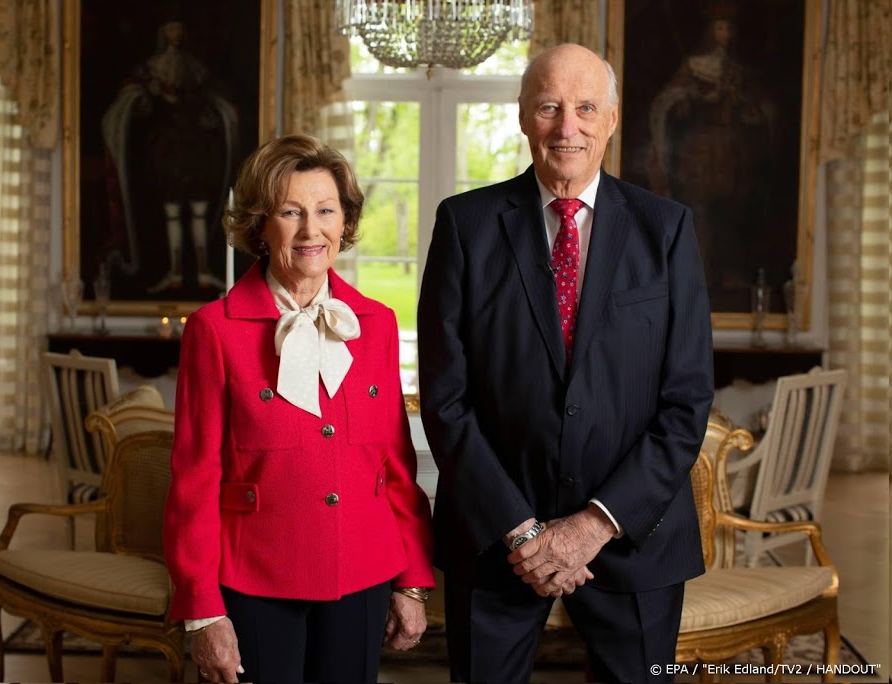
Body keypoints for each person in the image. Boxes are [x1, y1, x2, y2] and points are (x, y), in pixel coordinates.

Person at [417, 43, 714, 684]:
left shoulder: (665, 229)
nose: (566, 127)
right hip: (497, 539)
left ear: (612, 119)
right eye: (549, 107)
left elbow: (686, 402)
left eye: (585, 108)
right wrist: (521, 532)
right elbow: (445, 398)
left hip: (633, 538)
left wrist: (594, 524)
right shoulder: (465, 225)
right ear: (523, 116)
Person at [163, 133, 434, 683]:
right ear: (260, 226)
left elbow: (395, 466)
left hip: (364, 573)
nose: (312, 231)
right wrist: (203, 610)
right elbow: (194, 479)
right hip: (256, 579)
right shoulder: (214, 331)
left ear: (345, 221)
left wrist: (411, 581)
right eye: (291, 212)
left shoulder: (377, 325)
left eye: (326, 211)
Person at [101, 14, 238, 294]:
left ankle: (202, 269)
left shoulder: (195, 68)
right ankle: (174, 270)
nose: (174, 35)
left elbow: (214, 100)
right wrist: (149, 96)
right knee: (172, 211)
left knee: (198, 210)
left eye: (178, 29)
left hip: (194, 151)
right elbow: (134, 105)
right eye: (170, 30)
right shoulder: (149, 69)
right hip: (167, 151)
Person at [645, 3, 775, 295]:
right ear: (710, 30)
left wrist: (746, 109)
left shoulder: (737, 72)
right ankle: (696, 277)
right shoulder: (695, 66)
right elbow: (667, 103)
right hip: (699, 153)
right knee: (700, 213)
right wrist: (690, 99)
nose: (725, 33)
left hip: (730, 154)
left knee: (729, 215)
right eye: (720, 27)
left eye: (729, 28)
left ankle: (729, 277)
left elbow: (759, 111)